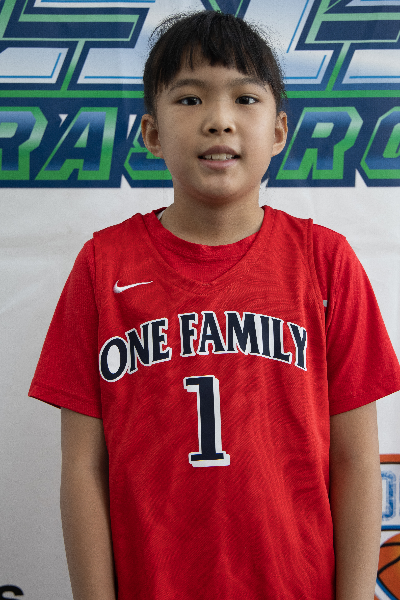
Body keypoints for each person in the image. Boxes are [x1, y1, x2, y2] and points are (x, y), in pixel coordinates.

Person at [29, 10, 400, 600]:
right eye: (190, 99)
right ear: (152, 133)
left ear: (278, 131)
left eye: (245, 99)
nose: (219, 120)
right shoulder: (103, 266)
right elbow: (83, 470)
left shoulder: (325, 261)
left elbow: (356, 462)